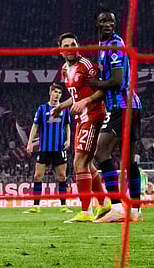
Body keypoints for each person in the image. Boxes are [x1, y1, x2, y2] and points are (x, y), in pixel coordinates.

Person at [86, 9, 144, 223]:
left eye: (111, 20)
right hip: (132, 106)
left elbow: (118, 81)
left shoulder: (113, 46)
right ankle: (136, 210)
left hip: (122, 106)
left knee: (101, 153)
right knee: (128, 160)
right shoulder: (105, 47)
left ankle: (117, 208)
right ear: (97, 24)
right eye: (103, 20)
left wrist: (95, 84)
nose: (108, 23)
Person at [55, 32, 108, 222]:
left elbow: (103, 90)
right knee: (87, 164)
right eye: (66, 45)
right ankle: (103, 205)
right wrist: (61, 106)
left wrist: (86, 101)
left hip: (93, 115)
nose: (70, 48)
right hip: (81, 118)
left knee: (79, 162)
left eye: (73, 44)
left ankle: (86, 211)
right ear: (61, 50)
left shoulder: (87, 66)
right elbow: (75, 97)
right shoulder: (64, 69)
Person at [25, 85, 72, 214]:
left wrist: (68, 140)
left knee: (62, 176)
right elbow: (35, 126)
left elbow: (67, 126)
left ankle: (63, 206)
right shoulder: (42, 109)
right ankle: (36, 206)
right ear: (50, 93)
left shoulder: (64, 109)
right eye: (55, 92)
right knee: (37, 176)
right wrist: (29, 143)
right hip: (44, 148)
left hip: (59, 147)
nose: (57, 95)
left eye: (59, 93)